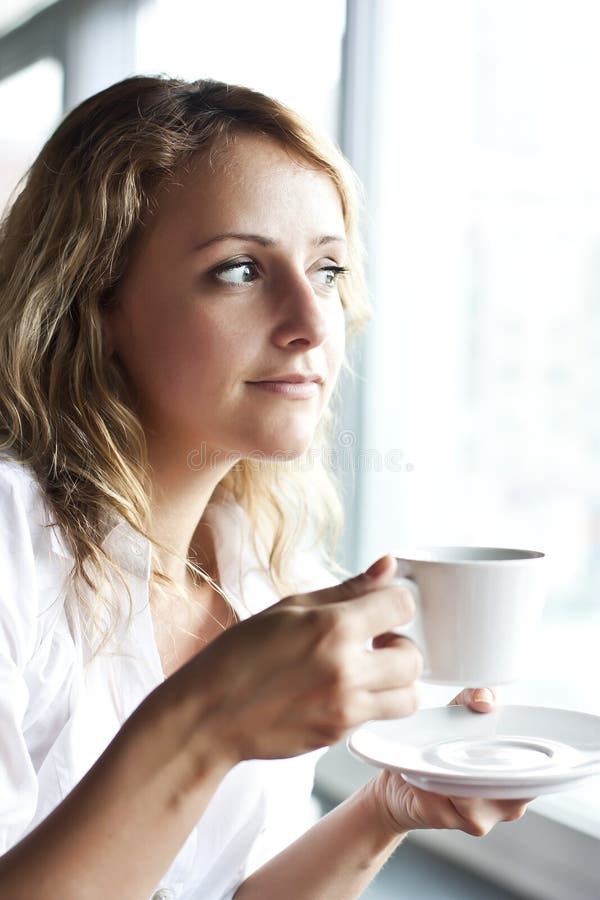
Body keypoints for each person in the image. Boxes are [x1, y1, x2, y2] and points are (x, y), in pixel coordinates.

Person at [0, 75, 530, 900]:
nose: (313, 324)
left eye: (326, 270)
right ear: (95, 300)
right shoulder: (11, 540)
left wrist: (386, 810)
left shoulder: (268, 570)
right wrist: (208, 721)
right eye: (241, 269)